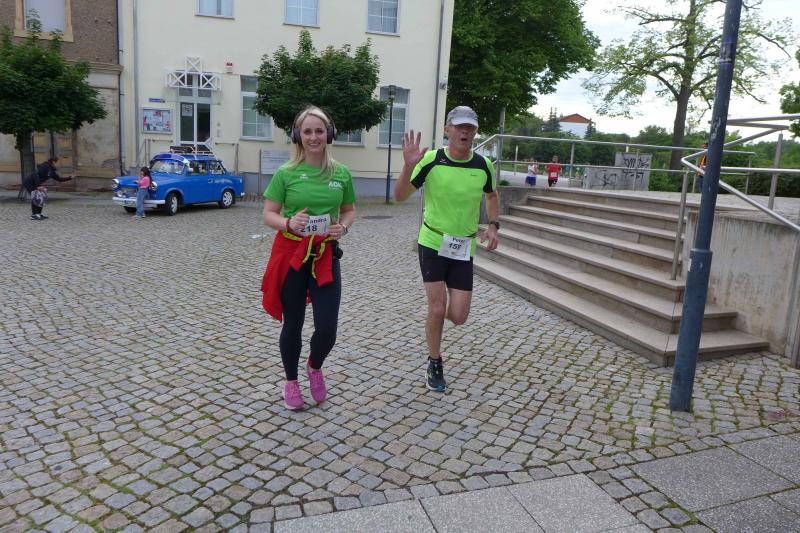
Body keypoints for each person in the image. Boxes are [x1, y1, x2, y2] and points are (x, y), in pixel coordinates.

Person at [394, 105, 500, 393]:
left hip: (463, 246)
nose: (465, 131)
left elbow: (492, 195)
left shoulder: (483, 165)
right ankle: (434, 361)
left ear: (475, 133)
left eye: (470, 127)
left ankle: (435, 319)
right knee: (438, 306)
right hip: (433, 241)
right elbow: (400, 196)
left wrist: (493, 225)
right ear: (447, 130)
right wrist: (408, 166)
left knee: (459, 316)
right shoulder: (431, 160)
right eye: (460, 126)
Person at [260, 106, 356, 410]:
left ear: (329, 134)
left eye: (319, 131)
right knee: (293, 323)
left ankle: (314, 366)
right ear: (297, 136)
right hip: (292, 256)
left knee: (327, 328)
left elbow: (349, 210)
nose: (314, 137)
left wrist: (344, 227)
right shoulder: (286, 173)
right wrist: (288, 223)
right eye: (307, 131)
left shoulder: (341, 173)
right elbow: (268, 214)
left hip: (325, 255)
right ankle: (291, 382)